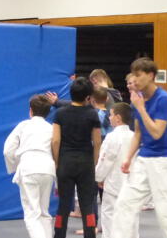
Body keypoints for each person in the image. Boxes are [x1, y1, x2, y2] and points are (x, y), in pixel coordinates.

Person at [112, 57, 167, 238]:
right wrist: (128, 158)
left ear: (151, 75)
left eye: (139, 75)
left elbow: (156, 132)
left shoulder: (164, 99)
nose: (135, 80)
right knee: (124, 205)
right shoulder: (138, 100)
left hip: (163, 161)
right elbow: (138, 133)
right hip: (143, 158)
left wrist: (141, 109)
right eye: (134, 75)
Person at [51, 77, 102, 238]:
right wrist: (94, 163)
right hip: (85, 163)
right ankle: (90, 234)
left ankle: (59, 235)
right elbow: (97, 142)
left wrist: (57, 163)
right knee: (87, 205)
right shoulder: (92, 114)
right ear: (88, 97)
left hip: (65, 162)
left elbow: (55, 141)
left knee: (63, 206)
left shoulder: (60, 113)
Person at [3, 94, 56, 238]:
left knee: (32, 214)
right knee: (44, 212)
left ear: (30, 110)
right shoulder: (51, 128)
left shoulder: (23, 126)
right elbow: (56, 151)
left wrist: (14, 166)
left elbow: (8, 150)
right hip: (48, 169)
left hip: (29, 167)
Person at [95, 102, 137, 238]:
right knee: (131, 217)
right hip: (131, 183)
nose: (109, 117)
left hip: (114, 182)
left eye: (111, 115)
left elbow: (105, 160)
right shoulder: (134, 137)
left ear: (118, 118)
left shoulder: (112, 137)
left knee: (110, 216)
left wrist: (99, 177)